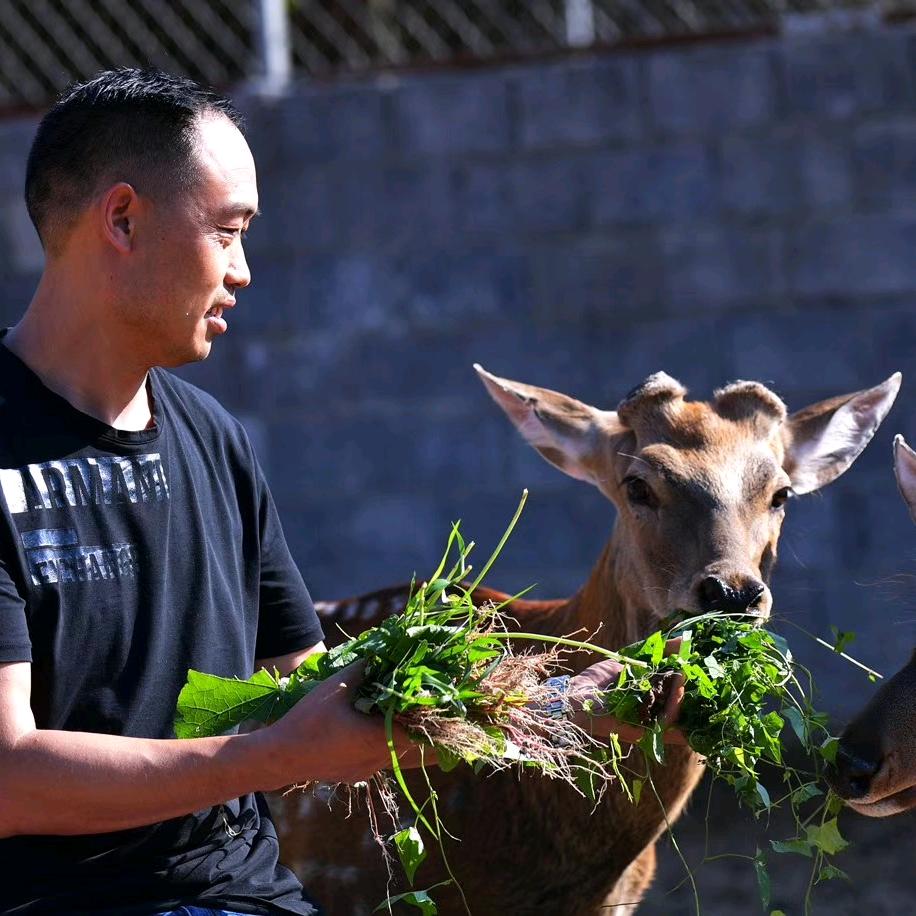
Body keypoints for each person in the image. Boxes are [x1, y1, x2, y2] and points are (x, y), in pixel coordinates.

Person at [0, 69, 682, 916]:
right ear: (125, 219)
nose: (244, 272)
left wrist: (553, 699)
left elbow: (316, 680)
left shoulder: (212, 436)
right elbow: (9, 779)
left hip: (248, 896)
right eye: (228, 231)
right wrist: (276, 757)